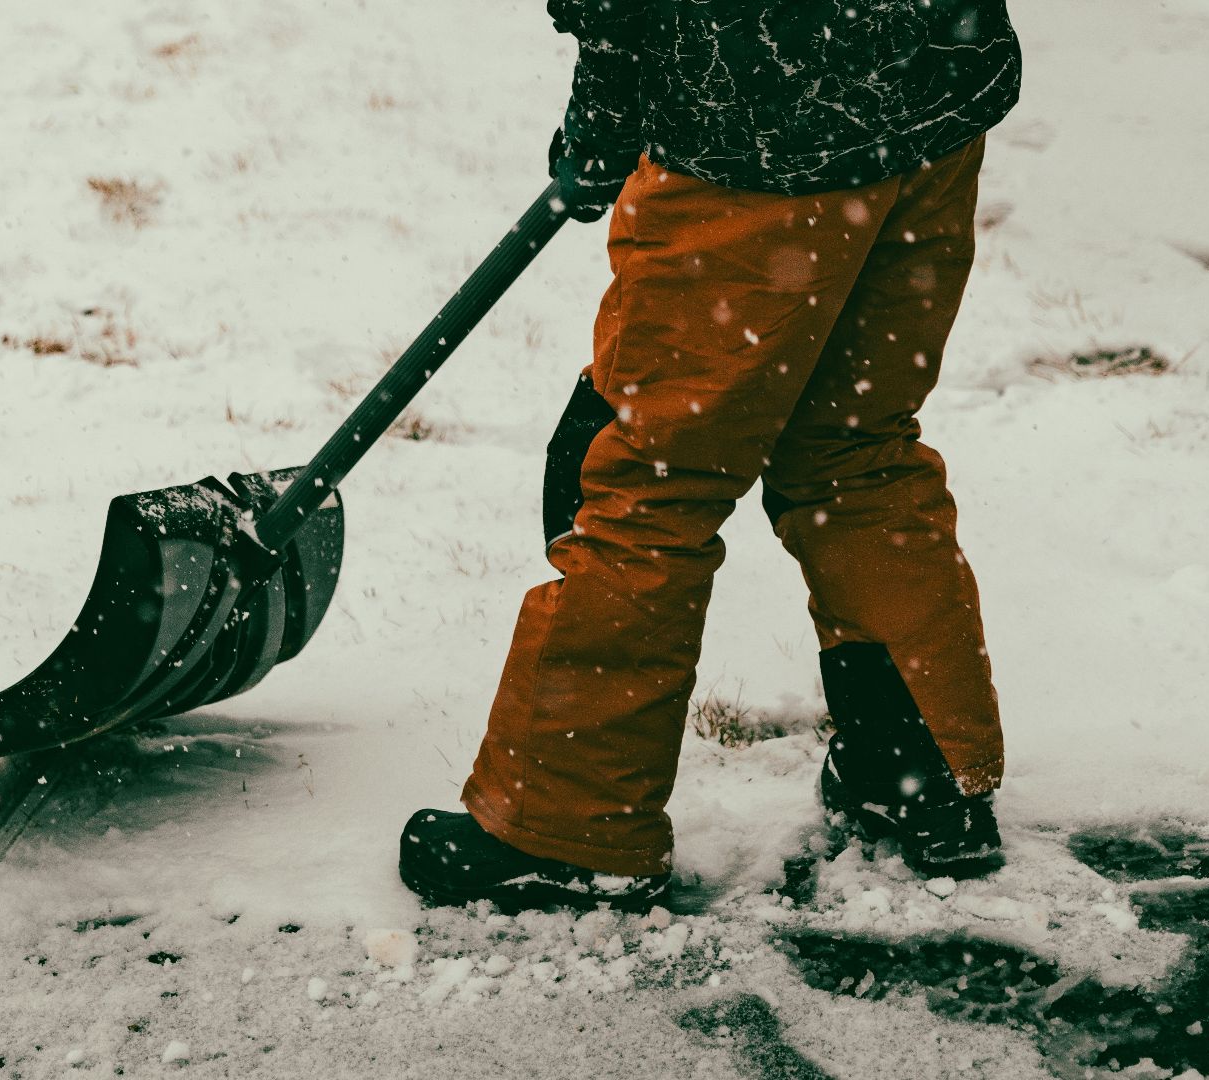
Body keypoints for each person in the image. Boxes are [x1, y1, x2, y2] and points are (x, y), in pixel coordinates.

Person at [399, 0, 1023, 913]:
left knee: (650, 474)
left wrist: (605, 110)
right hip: (928, 92)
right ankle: (921, 775)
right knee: (854, 444)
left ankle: (568, 826)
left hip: (754, 124)